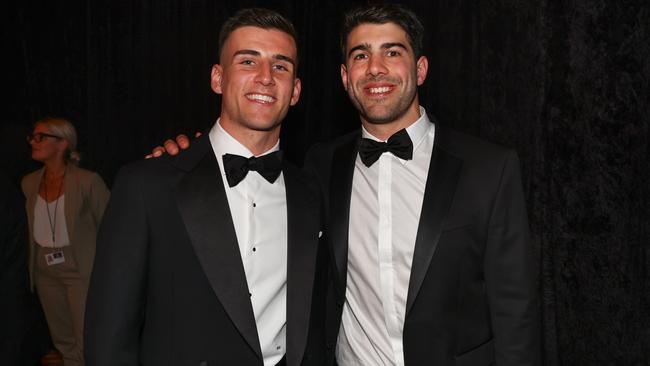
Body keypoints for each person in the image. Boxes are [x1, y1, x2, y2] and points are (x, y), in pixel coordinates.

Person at [157, 3, 540, 365]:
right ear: (345, 77)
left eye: (392, 52)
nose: (375, 68)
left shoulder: (489, 169)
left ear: (420, 69)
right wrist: (187, 157)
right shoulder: (320, 167)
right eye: (360, 55)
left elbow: (516, 313)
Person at [84, 8, 327, 366]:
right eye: (248, 61)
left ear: (295, 91)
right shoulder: (146, 186)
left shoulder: (311, 191)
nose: (265, 77)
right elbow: (109, 339)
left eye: (281, 66)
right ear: (218, 78)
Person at [22, 117, 110, 366]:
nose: (33, 141)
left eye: (41, 137)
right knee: (63, 341)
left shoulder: (87, 181)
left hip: (79, 270)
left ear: (63, 143)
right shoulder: (28, 184)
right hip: (45, 271)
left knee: (87, 340)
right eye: (32, 136)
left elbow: (111, 227)